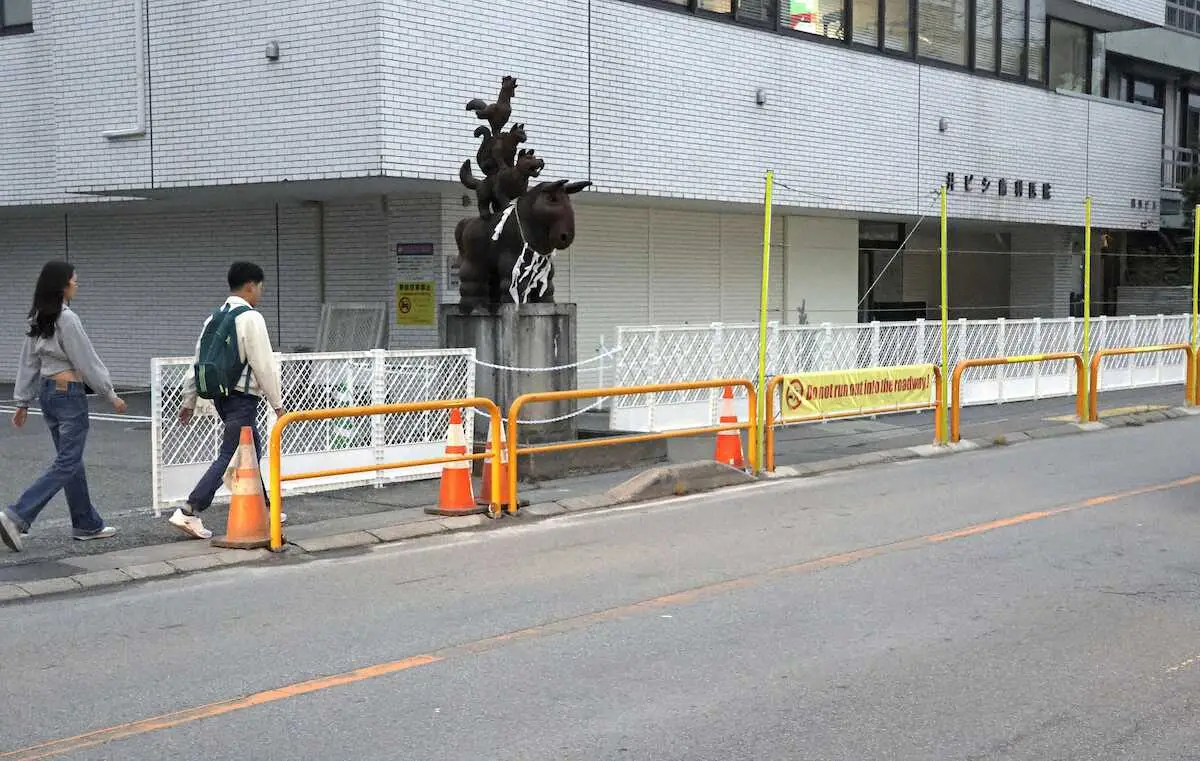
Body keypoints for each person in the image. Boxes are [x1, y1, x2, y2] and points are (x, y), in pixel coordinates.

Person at [0, 261, 127, 552]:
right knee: (68, 461)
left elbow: (28, 361)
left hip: (48, 393)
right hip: (68, 394)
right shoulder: (67, 319)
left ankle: (86, 523)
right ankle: (16, 515)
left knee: (70, 459)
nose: (77, 285)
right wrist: (110, 394)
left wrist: (22, 401)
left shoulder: (39, 317)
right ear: (63, 286)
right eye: (74, 281)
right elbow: (86, 360)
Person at [171, 262, 286, 540]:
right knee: (231, 453)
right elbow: (264, 364)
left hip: (221, 396)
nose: (260, 293)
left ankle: (267, 508)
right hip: (242, 397)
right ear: (250, 285)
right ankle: (189, 510)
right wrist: (278, 404)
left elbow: (198, 362)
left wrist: (189, 399)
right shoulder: (250, 318)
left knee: (252, 451)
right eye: (260, 287)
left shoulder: (214, 318)